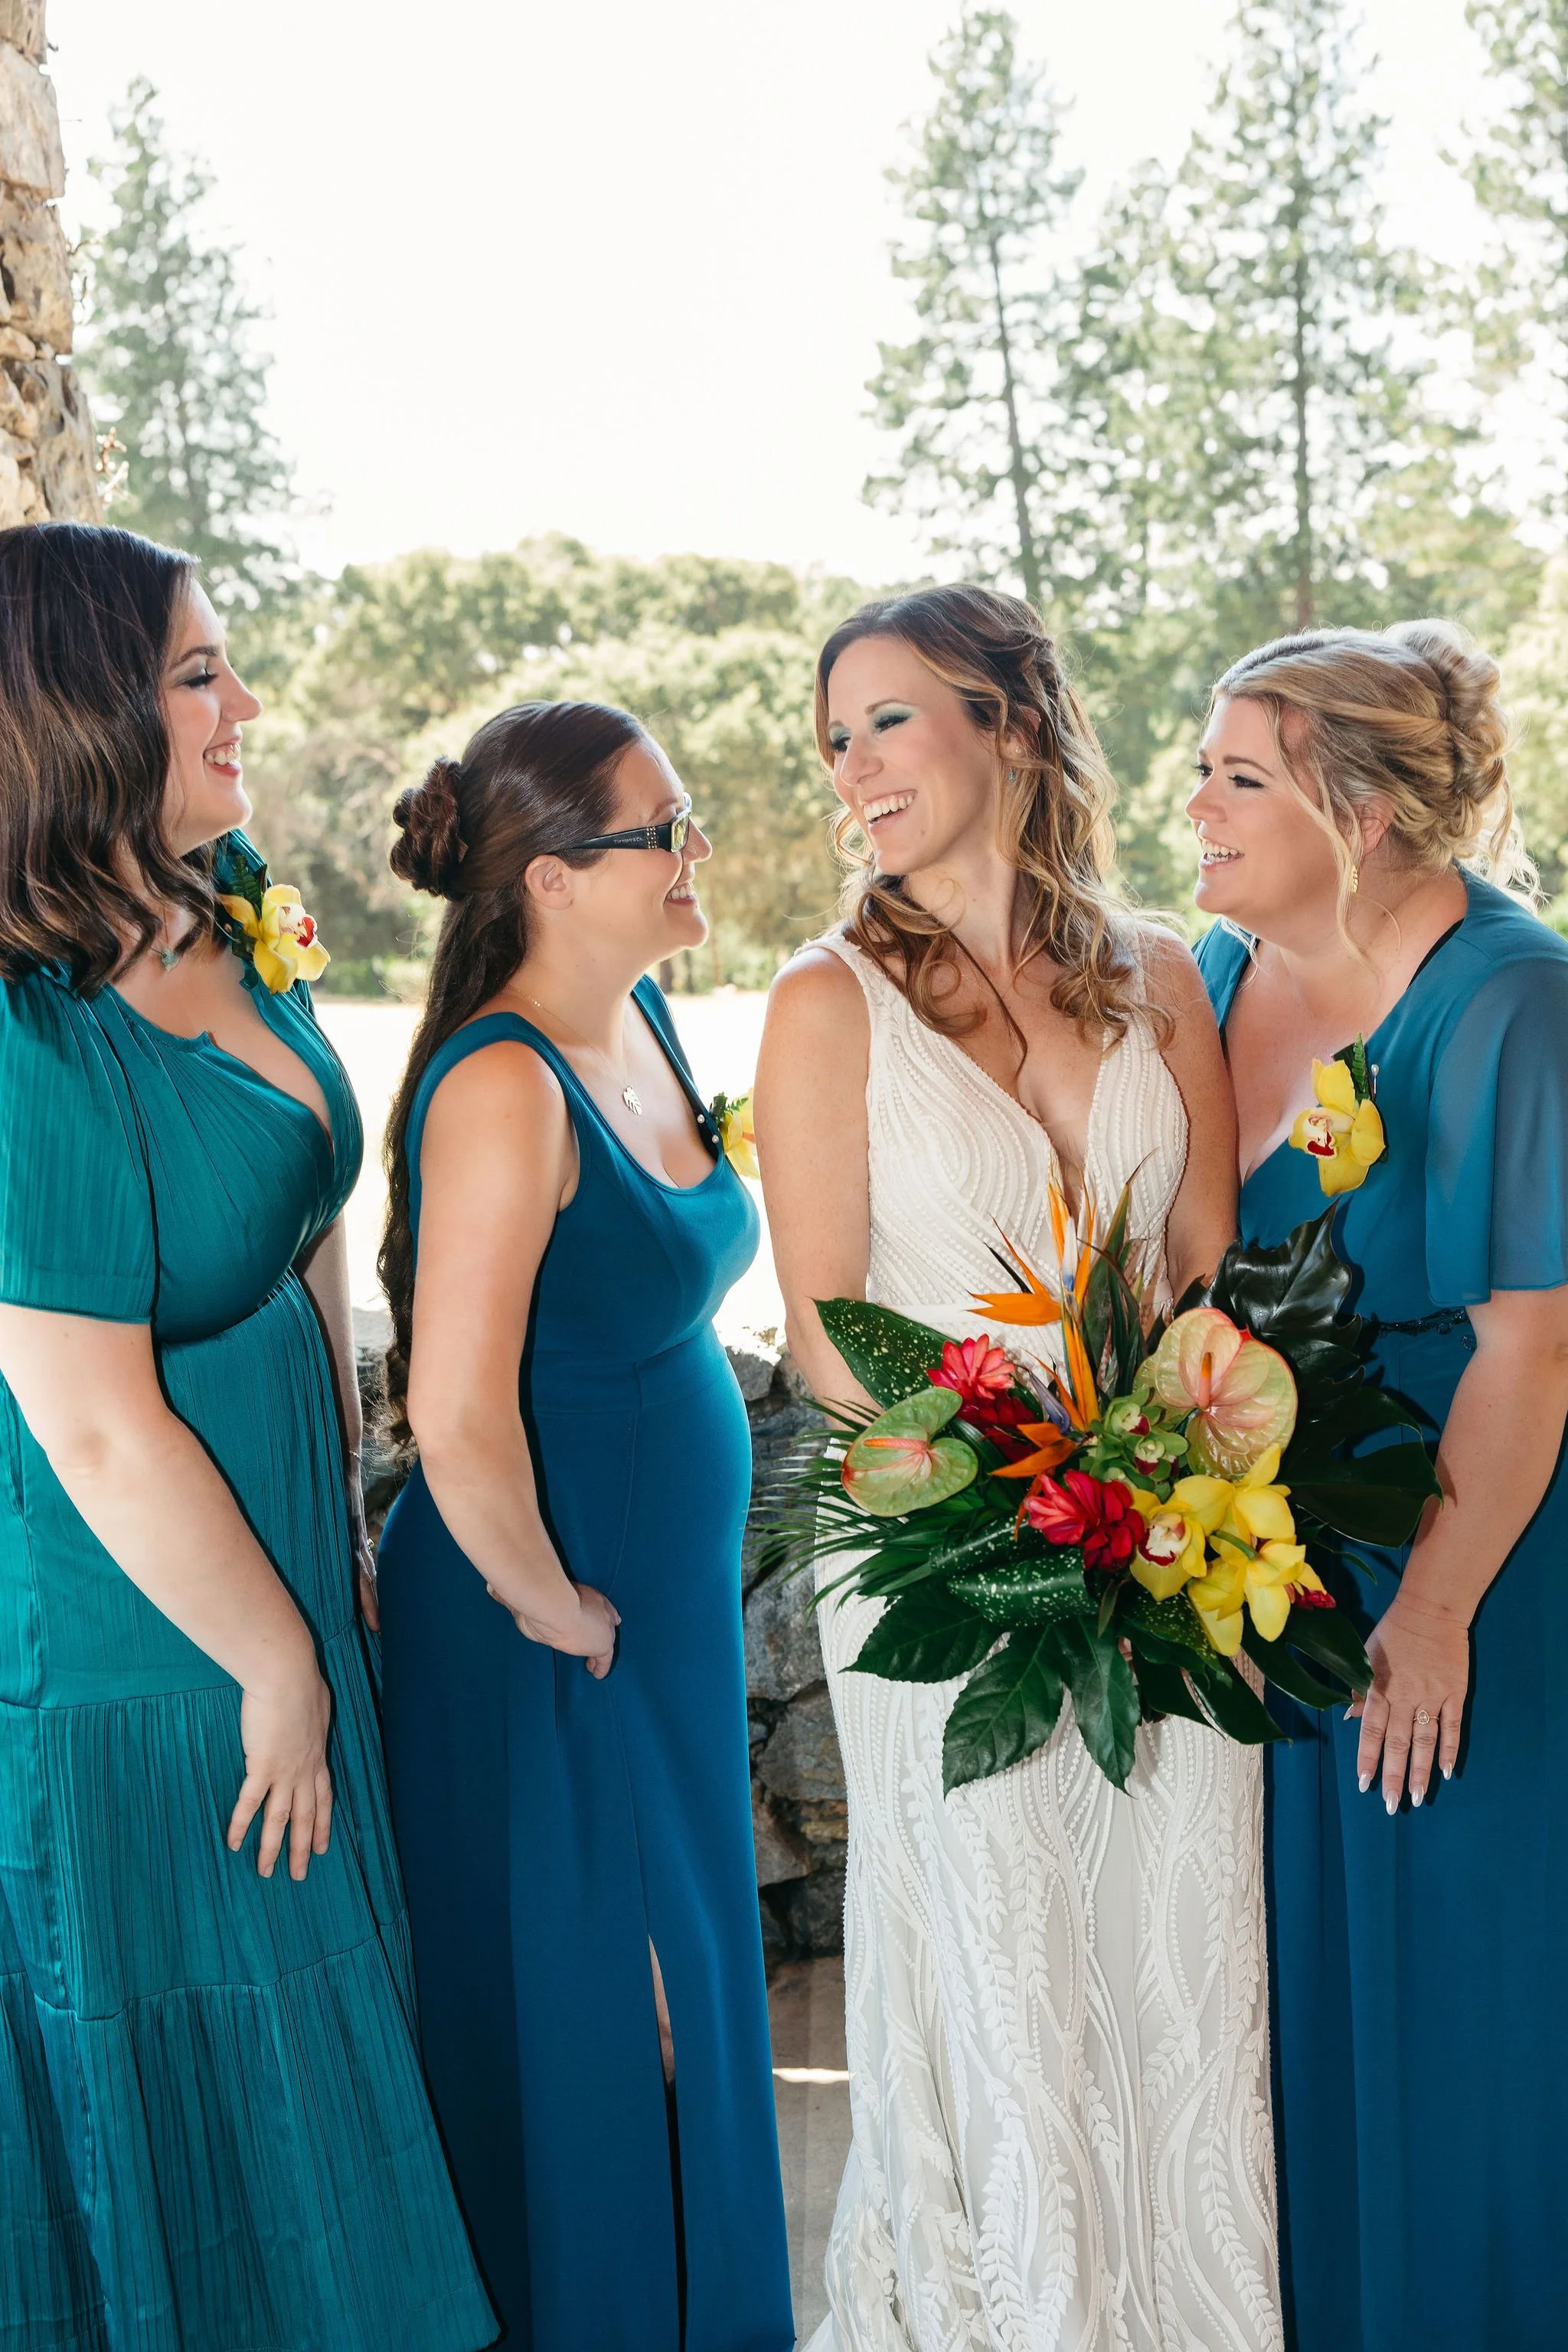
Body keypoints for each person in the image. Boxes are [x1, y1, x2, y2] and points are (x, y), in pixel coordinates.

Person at [756, 583, 1282, 2351]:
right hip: (949, 1557)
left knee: (1175, 1963)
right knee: (999, 1964)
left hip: (1165, 1545)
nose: (853, 770)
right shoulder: (824, 1003)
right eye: (835, 740)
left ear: (1009, 720)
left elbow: (1197, 1263)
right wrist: (1015, 1452)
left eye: (887, 721)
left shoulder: (1160, 974)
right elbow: (827, 1329)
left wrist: (1151, 1460)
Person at [0, 522, 495, 2352]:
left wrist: (350, 1499)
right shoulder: (20, 1034)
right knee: (219, 2095)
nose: (246, 703)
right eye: (200, 672)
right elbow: (94, 1423)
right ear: (79, 718)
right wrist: (273, 1655)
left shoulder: (234, 897)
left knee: (329, 2042)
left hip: (286, 1557)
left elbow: (312, 1223)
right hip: (151, 1641)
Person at [374, 701, 794, 2352]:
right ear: (552, 878)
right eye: (662, 832)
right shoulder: (502, 1083)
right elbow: (454, 1411)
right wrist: (558, 1613)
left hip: (653, 1630)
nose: (696, 854)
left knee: (683, 2007)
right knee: (615, 2034)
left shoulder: (646, 1028)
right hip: (553, 1635)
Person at [1189, 619, 1568, 2352]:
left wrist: (1430, 1612)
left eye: (1237, 775)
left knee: (1465, 1994)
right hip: (1270, 1553)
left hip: (1472, 1550)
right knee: (1310, 1997)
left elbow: (1527, 1348)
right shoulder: (1211, 970)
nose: (1193, 802)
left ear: (1363, 809)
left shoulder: (1505, 996)